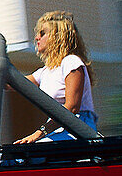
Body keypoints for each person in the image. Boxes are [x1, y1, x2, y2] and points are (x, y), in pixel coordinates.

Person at [14, 10, 97, 144]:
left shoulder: (71, 62)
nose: (36, 38)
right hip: (58, 127)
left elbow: (71, 108)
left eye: (42, 33)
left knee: (29, 155)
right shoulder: (45, 72)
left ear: (58, 37)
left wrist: (38, 133)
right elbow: (12, 83)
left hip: (78, 128)